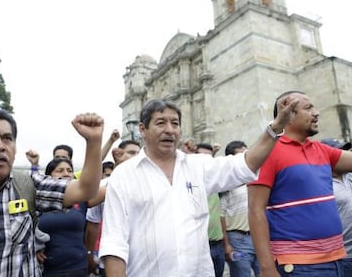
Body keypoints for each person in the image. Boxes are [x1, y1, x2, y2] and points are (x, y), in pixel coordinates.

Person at [99, 97, 297, 277]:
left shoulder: (198, 166)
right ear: (143, 129)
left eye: (175, 123)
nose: (169, 129)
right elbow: (114, 244)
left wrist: (276, 127)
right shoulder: (124, 176)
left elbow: (246, 164)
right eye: (161, 123)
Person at [0, 107, 103, 276]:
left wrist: (94, 141)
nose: (0, 146)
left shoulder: (28, 185)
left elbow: (85, 189)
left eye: (7, 138)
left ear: (15, 149)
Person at [248, 90, 352, 277]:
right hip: (298, 266)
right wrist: (267, 268)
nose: (316, 112)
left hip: (338, 260)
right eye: (308, 108)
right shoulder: (267, 152)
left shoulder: (322, 150)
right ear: (289, 114)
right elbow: (256, 210)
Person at [85, 140, 141, 277]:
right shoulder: (103, 186)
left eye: (139, 154)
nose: (136, 157)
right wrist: (89, 254)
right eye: (132, 153)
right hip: (111, 261)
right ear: (118, 154)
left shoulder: (151, 184)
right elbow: (92, 224)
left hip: (143, 261)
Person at [37, 157, 90, 277]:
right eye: (59, 170)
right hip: (47, 269)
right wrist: (34, 248)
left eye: (69, 170)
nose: (66, 174)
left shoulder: (81, 199)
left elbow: (106, 187)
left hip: (78, 268)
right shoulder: (36, 200)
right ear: (48, 176)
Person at [220, 140, 260, 277]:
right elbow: (221, 215)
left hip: (259, 237)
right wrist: (227, 246)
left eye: (247, 154)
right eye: (241, 156)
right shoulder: (227, 184)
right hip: (238, 240)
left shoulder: (257, 179)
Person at [321, 138, 352, 276]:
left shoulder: (349, 175)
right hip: (344, 256)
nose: (346, 155)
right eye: (340, 153)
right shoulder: (321, 184)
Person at [196, 143, 225, 277]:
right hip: (199, 247)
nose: (206, 162)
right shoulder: (189, 185)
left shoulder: (214, 183)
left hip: (218, 245)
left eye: (209, 158)